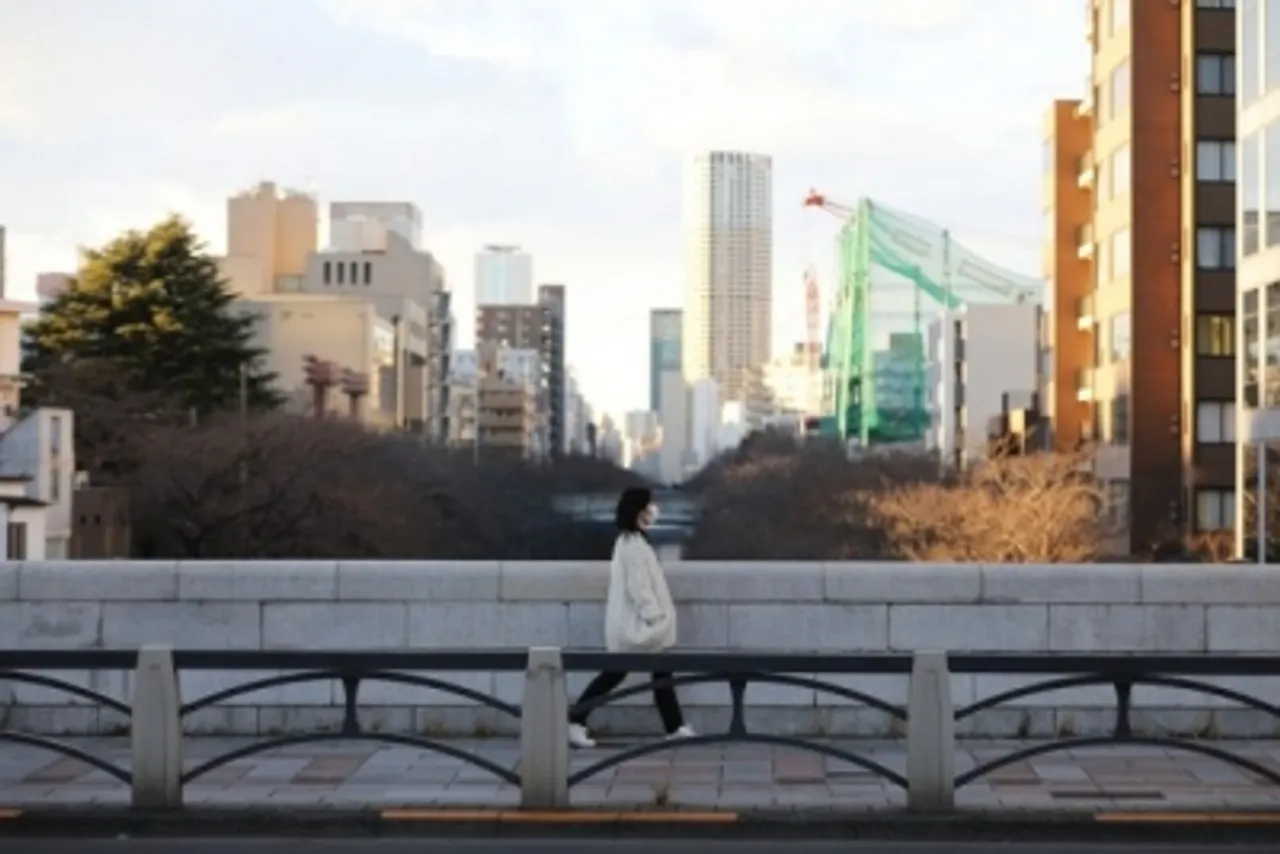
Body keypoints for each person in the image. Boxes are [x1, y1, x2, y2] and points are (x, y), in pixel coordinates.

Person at [567, 486, 696, 748]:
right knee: (618, 674)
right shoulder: (633, 546)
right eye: (649, 506)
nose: (654, 510)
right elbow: (639, 588)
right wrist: (655, 616)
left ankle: (675, 726)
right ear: (639, 511)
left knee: (657, 672)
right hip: (638, 625)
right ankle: (574, 720)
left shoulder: (629, 541)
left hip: (632, 625)